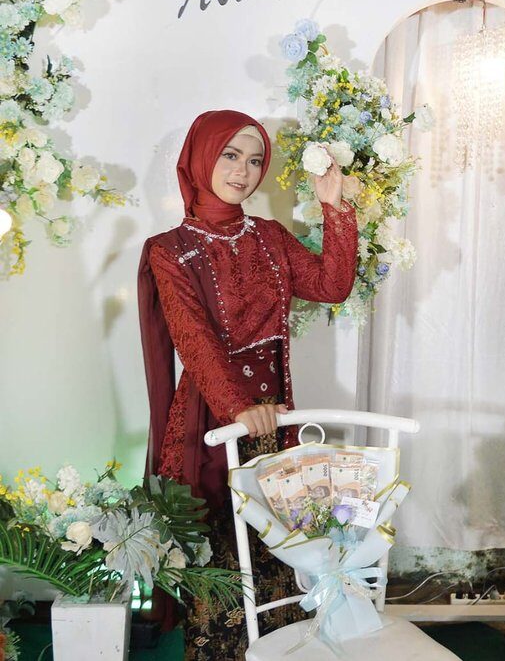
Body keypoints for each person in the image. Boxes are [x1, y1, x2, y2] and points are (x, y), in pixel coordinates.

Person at [138, 110, 358, 659]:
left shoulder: (269, 236)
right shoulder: (169, 249)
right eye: (230, 155)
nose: (243, 171)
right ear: (200, 158)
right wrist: (237, 407)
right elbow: (192, 338)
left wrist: (335, 206)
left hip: (273, 418)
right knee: (221, 554)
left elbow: (331, 286)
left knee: (279, 550)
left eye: (255, 160)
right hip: (211, 421)